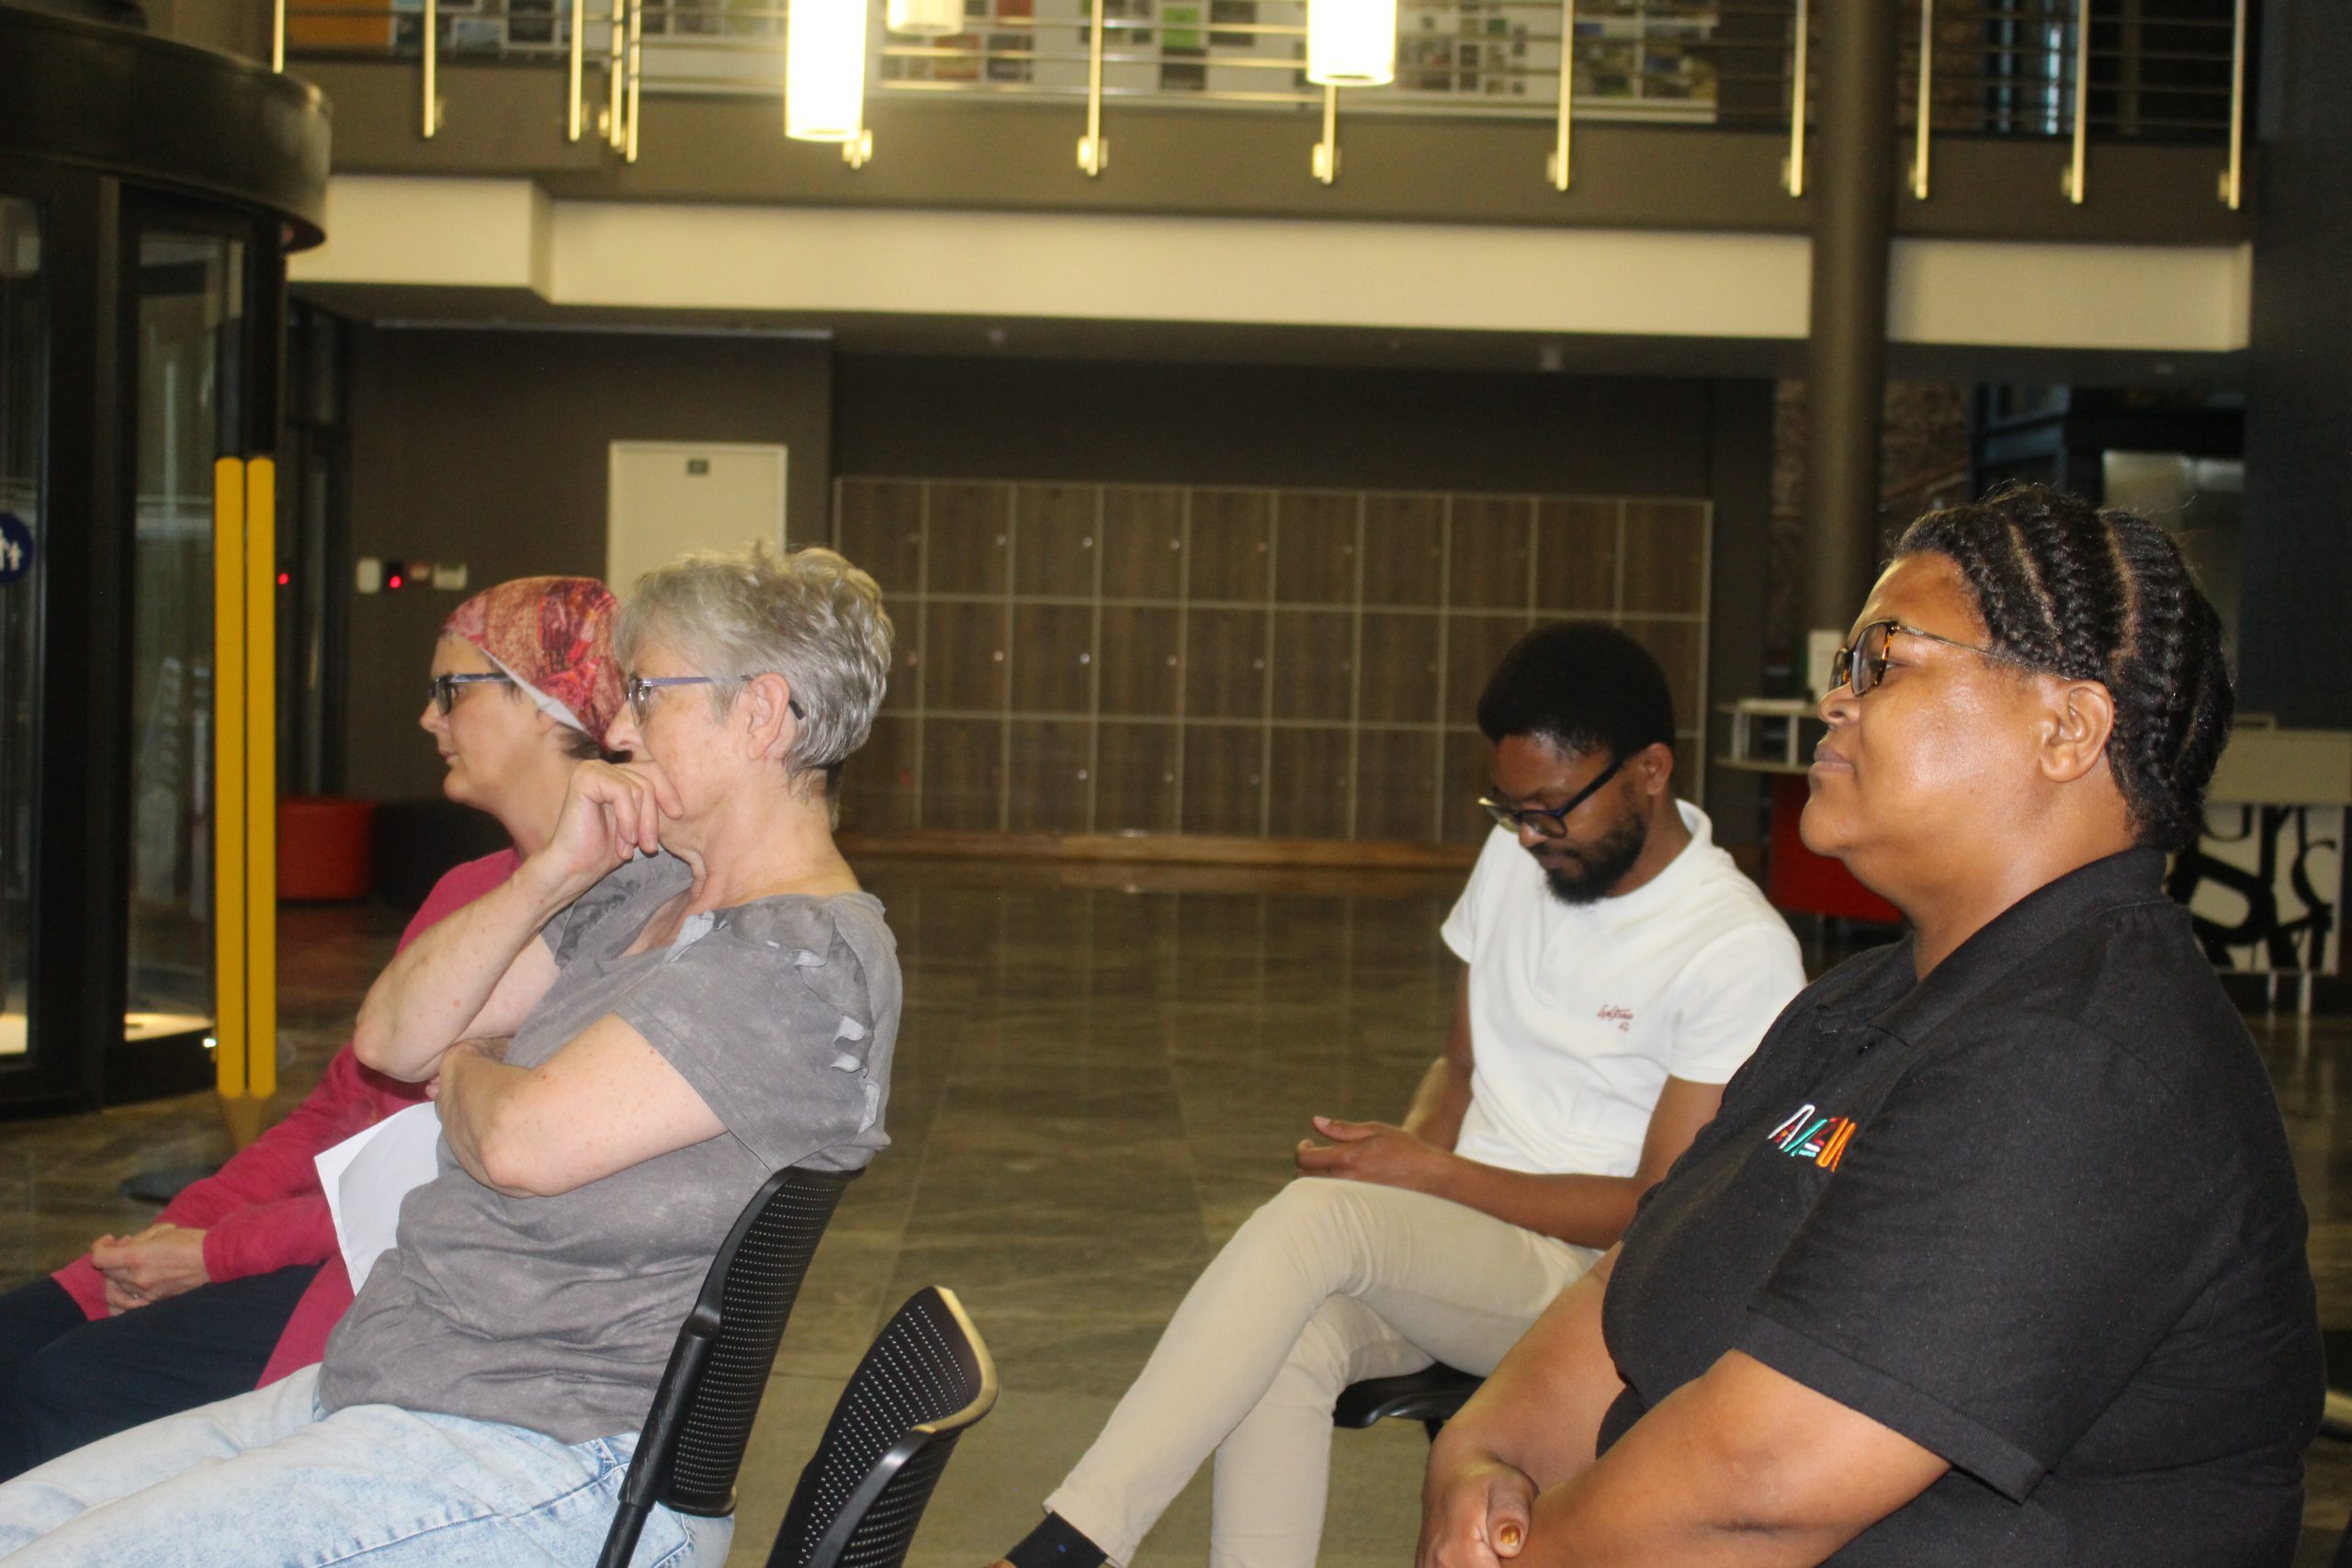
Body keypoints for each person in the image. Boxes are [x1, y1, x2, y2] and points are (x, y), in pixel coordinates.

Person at [1419, 484, 2324, 1568]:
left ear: (2067, 729)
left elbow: (1760, 1491)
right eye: (1842, 667)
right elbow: (1631, 1284)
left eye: (1881, 662)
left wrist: (1516, 1553)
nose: (1832, 701)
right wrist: (1481, 1453)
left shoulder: (2087, 1062)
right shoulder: (1855, 1004)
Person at [0, 543, 899, 1568]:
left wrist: (471, 1062)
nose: (611, 729)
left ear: (760, 712)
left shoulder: (801, 962)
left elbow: (516, 1140)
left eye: (646, 693)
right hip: (398, 1382)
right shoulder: (646, 883)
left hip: (545, 1456)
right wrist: (550, 873)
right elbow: (393, 1039)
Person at [995, 622, 1806, 1568]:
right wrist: (1413, 1161)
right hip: (1470, 1245)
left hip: (1591, 1281)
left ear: (1651, 770)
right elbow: (1459, 1070)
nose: (1530, 837)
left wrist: (1430, 1177)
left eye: (1551, 810)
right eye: (1509, 810)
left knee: (1317, 1222)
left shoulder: (1735, 949)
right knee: (1281, 1338)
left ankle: (1068, 1546)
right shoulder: (1515, 857)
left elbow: (1656, 1209)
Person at [0, 574, 623, 1480]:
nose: (425, 717)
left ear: (545, 706)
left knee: (64, 1385)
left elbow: (426, 1182)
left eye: (451, 689)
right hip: (299, 1241)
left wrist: (211, 1256)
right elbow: (340, 1109)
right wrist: (174, 1234)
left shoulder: (607, 920)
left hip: (378, 1283)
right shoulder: (464, 893)